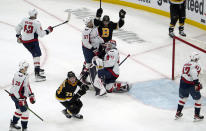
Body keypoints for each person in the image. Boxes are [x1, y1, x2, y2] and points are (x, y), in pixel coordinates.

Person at [15, 9, 53, 82]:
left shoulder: (24, 19)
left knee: (35, 54)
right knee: (37, 55)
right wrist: (48, 30)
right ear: (35, 15)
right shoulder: (37, 23)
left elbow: (17, 28)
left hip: (24, 42)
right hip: (32, 42)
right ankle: (37, 74)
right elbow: (41, 34)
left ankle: (37, 68)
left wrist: (18, 36)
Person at [175, 52, 204, 121]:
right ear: (197, 58)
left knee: (183, 98)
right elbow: (194, 74)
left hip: (182, 83)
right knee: (199, 99)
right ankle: (197, 115)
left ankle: (178, 113)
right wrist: (197, 84)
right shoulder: (196, 65)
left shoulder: (186, 64)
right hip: (191, 84)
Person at [9, 61, 36, 131]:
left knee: (19, 110)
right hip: (16, 96)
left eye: (27, 67)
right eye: (25, 67)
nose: (26, 69)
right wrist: (20, 99)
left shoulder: (25, 74)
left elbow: (27, 85)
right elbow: (15, 90)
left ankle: (13, 124)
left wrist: (30, 95)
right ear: (21, 67)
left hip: (20, 96)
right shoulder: (18, 76)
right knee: (26, 111)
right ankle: (24, 128)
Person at [80, 16, 104, 85]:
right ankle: (83, 77)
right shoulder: (85, 31)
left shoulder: (94, 27)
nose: (91, 23)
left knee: (95, 61)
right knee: (89, 64)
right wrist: (92, 49)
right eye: (89, 22)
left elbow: (97, 36)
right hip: (87, 49)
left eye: (91, 21)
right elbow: (85, 43)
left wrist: (102, 42)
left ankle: (96, 77)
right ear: (86, 24)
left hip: (95, 48)